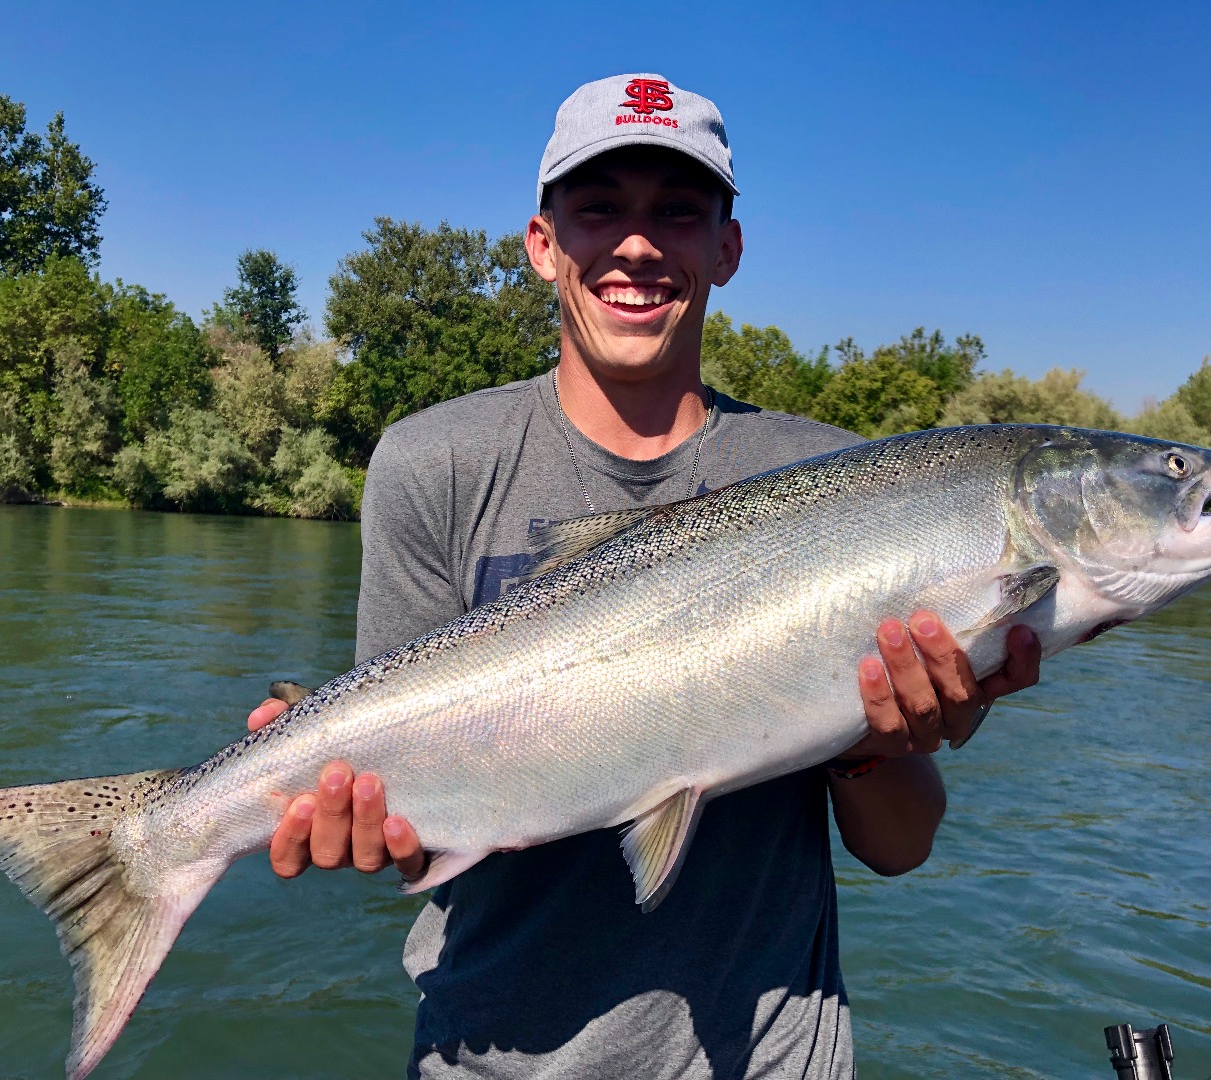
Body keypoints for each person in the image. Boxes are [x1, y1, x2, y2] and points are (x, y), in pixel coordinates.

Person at [246, 73, 1041, 1078]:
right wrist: (349, 814)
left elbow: (900, 845)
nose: (636, 243)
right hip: (488, 1057)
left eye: (677, 211)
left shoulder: (843, 483)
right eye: (599, 208)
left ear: (728, 249)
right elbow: (405, 830)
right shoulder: (431, 464)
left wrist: (870, 741)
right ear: (543, 243)